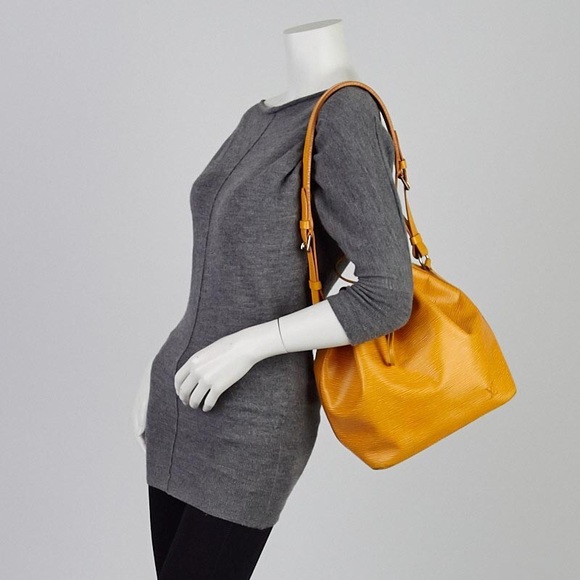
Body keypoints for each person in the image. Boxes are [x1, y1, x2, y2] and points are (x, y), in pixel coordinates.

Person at [133, 17, 413, 579]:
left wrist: (245, 347)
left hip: (251, 421)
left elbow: (387, 294)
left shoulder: (345, 116)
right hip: (179, 397)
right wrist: (161, 364)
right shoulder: (261, 115)